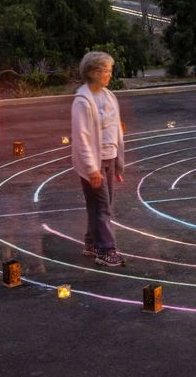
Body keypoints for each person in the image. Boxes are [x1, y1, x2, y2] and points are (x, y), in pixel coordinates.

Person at [72, 51, 126, 267]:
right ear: (94, 72)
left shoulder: (109, 96)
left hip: (109, 158)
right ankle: (106, 250)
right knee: (102, 206)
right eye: (106, 71)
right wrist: (92, 169)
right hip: (93, 163)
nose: (109, 75)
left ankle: (92, 243)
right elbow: (82, 138)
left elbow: (116, 133)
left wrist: (118, 165)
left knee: (100, 205)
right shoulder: (82, 101)